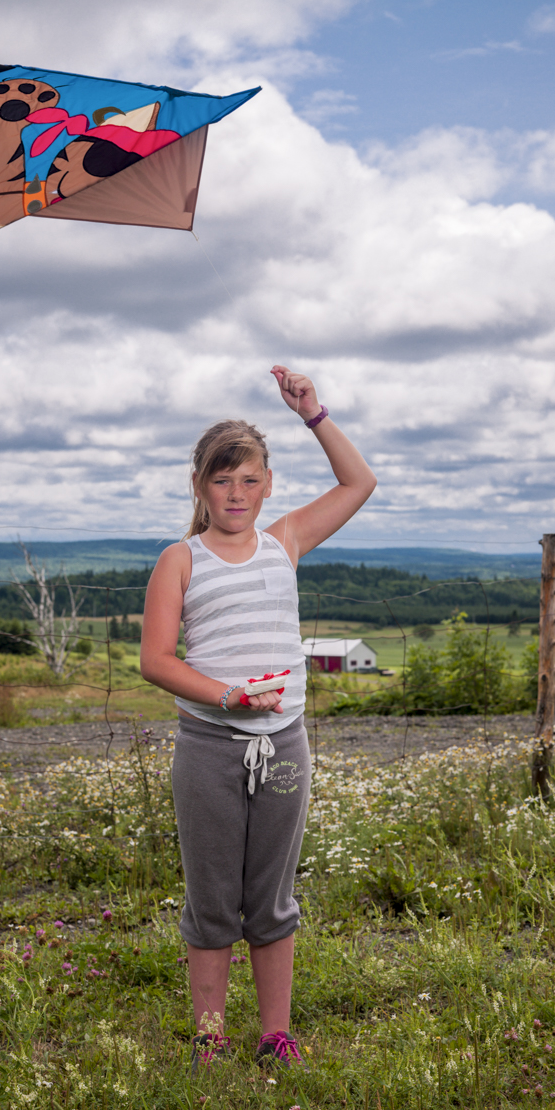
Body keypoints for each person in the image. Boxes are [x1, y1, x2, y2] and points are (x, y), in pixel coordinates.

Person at [140, 366, 376, 1071]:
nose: (236, 494)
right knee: (212, 898)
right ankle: (209, 1037)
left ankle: (276, 1035)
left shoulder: (286, 542)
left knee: (271, 897)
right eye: (222, 480)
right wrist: (228, 697)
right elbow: (156, 660)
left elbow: (359, 483)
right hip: (211, 747)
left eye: (248, 480)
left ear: (268, 484)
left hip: (285, 746)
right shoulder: (180, 559)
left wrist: (314, 414)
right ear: (200, 487)